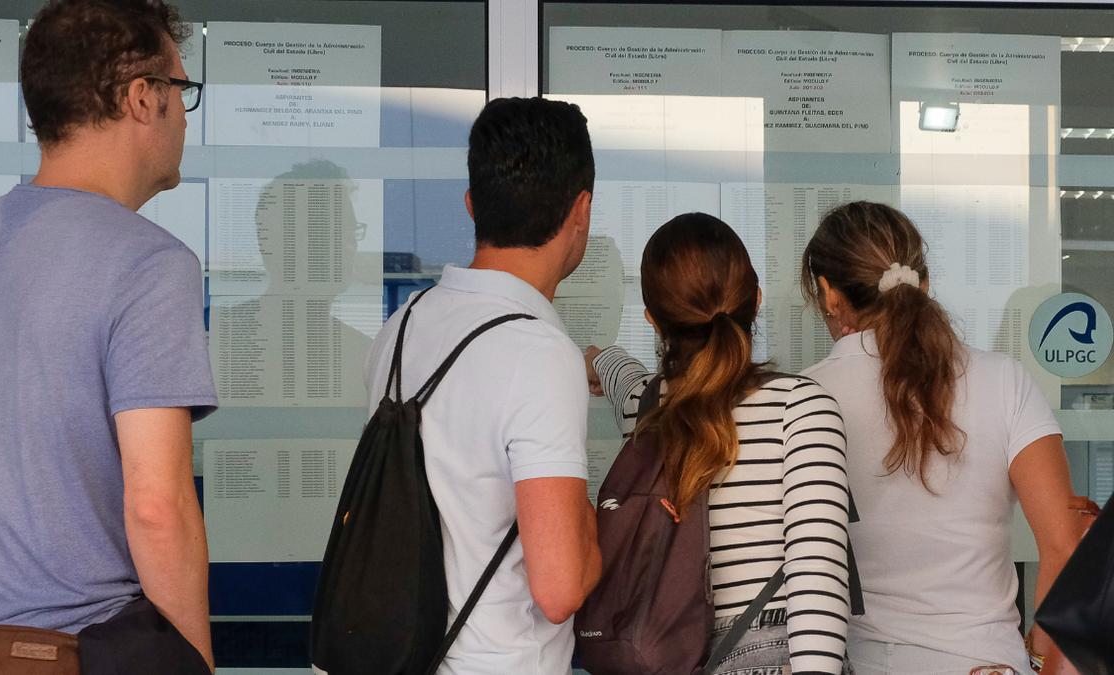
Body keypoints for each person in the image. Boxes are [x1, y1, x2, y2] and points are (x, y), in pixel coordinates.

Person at [0, 0, 218, 672]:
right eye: (181, 90)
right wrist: (192, 661)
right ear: (143, 98)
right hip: (87, 653)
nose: (183, 117)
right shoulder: (149, 263)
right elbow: (156, 503)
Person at [363, 96, 601, 673]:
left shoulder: (402, 326)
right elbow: (561, 586)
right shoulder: (539, 353)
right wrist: (596, 518)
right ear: (582, 211)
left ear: (472, 206)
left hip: (401, 656)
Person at [799, 201, 1082, 673]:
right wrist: (1038, 657)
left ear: (829, 294)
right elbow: (1065, 548)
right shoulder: (1005, 380)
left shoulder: (804, 397)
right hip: (987, 662)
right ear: (922, 283)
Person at [586, 212, 851, 674]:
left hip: (671, 654)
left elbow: (621, 375)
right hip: (773, 652)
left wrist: (594, 357)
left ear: (652, 321)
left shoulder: (645, 409)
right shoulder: (799, 408)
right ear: (757, 300)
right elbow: (817, 578)